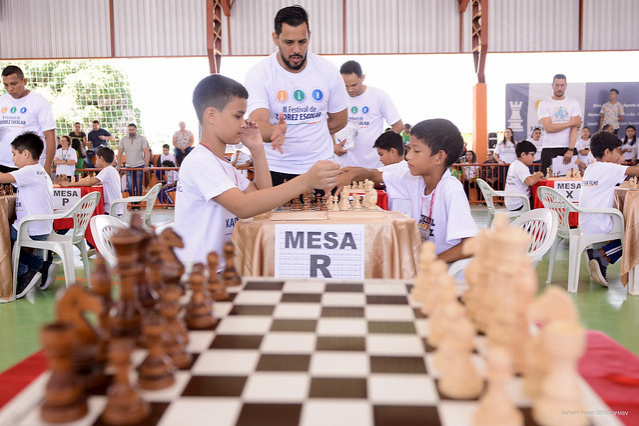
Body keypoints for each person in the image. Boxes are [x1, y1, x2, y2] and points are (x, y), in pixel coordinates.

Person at [174, 74, 340, 266]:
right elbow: (242, 206)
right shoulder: (200, 161)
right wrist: (305, 181)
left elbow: (263, 196)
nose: (244, 123)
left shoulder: (224, 166)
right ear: (211, 115)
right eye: (238, 116)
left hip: (221, 270)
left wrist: (258, 149)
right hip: (201, 275)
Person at [245, 5, 348, 186]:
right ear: (275, 38)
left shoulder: (328, 70)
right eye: (289, 42)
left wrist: (311, 134)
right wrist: (274, 132)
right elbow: (258, 122)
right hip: (276, 169)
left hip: (320, 167)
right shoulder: (259, 73)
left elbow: (340, 119)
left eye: (302, 42)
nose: (297, 50)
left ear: (309, 35)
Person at [382, 119, 477, 262]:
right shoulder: (417, 181)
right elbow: (382, 176)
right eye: (409, 150)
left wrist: (430, 263)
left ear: (439, 157)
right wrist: (356, 174)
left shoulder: (451, 190)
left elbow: (472, 245)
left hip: (447, 273)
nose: (408, 156)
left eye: (416, 150)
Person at [0, 132, 57, 297]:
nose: (12, 159)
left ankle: (25, 273)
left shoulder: (29, 171)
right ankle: (41, 266)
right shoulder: (39, 171)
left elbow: (3, 177)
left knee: (2, 241)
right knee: (7, 242)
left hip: (30, 228)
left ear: (25, 153)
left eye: (14, 154)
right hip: (42, 227)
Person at [581, 131, 639, 287]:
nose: (619, 155)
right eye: (617, 151)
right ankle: (601, 256)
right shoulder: (608, 168)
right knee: (635, 231)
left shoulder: (591, 168)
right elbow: (636, 171)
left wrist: (618, 162)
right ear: (607, 152)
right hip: (600, 225)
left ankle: (602, 257)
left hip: (587, 222)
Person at [333, 60, 403, 168]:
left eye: (354, 85)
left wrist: (382, 146)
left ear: (363, 77)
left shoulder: (378, 96)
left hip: (372, 166)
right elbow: (328, 125)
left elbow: (398, 126)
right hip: (344, 165)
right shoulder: (337, 97)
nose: (350, 90)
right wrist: (333, 146)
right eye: (345, 86)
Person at [0, 65, 56, 175]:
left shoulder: (39, 102)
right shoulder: (2, 101)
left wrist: (48, 165)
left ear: (24, 81)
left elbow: (50, 136)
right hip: (3, 163)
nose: (10, 89)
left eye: (14, 84)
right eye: (6, 85)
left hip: (31, 165)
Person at [537, 74, 582, 174]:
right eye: (557, 85)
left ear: (566, 86)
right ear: (552, 85)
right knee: (547, 181)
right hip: (549, 147)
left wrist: (570, 149)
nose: (559, 88)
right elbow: (549, 128)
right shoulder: (544, 103)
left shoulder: (574, 102)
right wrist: (570, 122)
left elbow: (575, 128)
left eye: (562, 85)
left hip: (568, 148)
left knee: (570, 181)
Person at [60, 146, 123, 216]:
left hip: (112, 209)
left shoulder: (107, 170)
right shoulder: (112, 170)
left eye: (96, 159)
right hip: (116, 208)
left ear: (101, 158)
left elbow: (90, 182)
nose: (96, 162)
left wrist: (69, 184)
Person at [334, 131, 407, 188]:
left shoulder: (399, 167)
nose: (380, 159)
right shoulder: (399, 167)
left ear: (392, 152)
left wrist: (346, 169)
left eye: (381, 155)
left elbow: (370, 173)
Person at [504, 141, 544, 211]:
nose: (534, 158)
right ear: (523, 155)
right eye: (532, 155)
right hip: (520, 204)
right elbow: (530, 182)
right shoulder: (521, 166)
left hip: (512, 203)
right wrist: (539, 174)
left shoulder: (514, 164)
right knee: (542, 201)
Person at [116, 123, 149, 209]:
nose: (131, 131)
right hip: (129, 167)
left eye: (132, 130)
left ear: (136, 130)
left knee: (138, 186)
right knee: (130, 187)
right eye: (129, 130)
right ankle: (133, 204)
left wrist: (146, 165)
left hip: (139, 165)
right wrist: (118, 165)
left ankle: (137, 205)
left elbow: (146, 152)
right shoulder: (123, 139)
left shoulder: (142, 139)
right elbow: (119, 153)